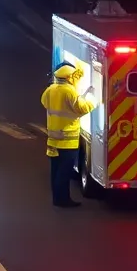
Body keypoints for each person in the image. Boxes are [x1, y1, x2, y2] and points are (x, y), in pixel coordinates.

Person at [40, 63, 99, 207]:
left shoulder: (50, 90)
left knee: (55, 171)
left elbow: (46, 103)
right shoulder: (69, 91)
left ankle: (57, 198)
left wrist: (80, 95)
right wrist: (93, 100)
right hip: (67, 141)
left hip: (53, 139)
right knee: (64, 173)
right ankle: (63, 200)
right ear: (68, 77)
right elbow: (81, 108)